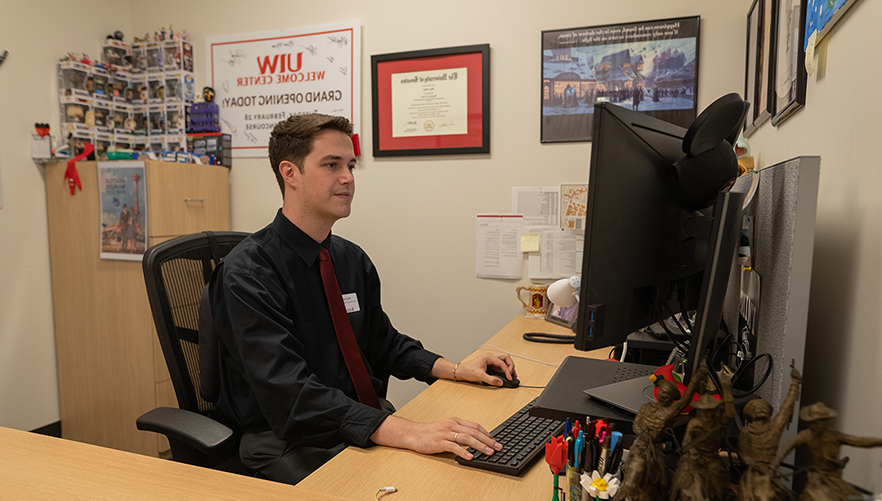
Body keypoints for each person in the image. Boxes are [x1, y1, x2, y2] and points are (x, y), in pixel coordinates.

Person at [210, 113, 516, 485]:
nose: (348, 178)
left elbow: (382, 343)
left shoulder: (350, 259)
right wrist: (407, 432)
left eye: (351, 165)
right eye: (332, 165)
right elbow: (288, 394)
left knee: (463, 472)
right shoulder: (248, 272)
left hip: (358, 420)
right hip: (287, 439)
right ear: (290, 173)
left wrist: (455, 369)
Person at [618, 363, 708, 501]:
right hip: (640, 445)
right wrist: (647, 434)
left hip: (655, 449)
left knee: (662, 479)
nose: (661, 395)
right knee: (631, 473)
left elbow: (685, 400)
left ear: (670, 399)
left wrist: (696, 380)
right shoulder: (646, 407)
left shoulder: (668, 412)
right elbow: (635, 426)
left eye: (665, 394)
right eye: (661, 391)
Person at [773, 402, 882, 501]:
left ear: (826, 422)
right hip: (816, 479)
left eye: (818, 422)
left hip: (834, 478)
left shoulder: (835, 436)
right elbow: (787, 447)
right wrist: (775, 464)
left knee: (856, 498)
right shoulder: (806, 436)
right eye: (812, 422)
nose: (814, 425)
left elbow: (861, 441)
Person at [669, 371, 736, 501]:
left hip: (711, 459)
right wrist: (692, 453)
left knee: (720, 484)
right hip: (693, 458)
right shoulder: (694, 423)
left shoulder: (718, 423)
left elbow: (730, 414)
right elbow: (686, 443)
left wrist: (726, 389)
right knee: (679, 480)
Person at [737, 368, 802, 501]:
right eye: (758, 408)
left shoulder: (774, 428)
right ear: (751, 414)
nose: (762, 409)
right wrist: (750, 462)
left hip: (770, 471)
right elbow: (743, 453)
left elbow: (785, 409)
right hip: (754, 473)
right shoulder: (747, 431)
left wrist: (795, 384)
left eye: (765, 408)